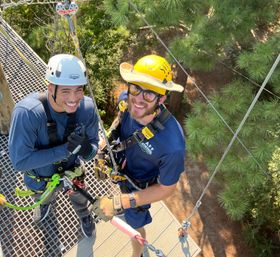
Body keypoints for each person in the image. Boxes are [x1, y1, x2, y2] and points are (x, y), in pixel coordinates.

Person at [93, 54, 186, 257]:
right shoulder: (125, 101)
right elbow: (117, 122)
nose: (138, 99)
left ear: (161, 99)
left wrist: (121, 202)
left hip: (139, 187)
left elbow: (167, 188)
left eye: (149, 94)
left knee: (135, 226)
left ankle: (138, 254)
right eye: (136, 88)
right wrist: (103, 148)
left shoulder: (172, 145)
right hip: (123, 168)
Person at [8, 54, 99, 238]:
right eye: (65, 91)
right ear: (51, 87)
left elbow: (93, 148)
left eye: (78, 90)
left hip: (72, 172)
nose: (74, 98)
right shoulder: (28, 114)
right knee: (44, 196)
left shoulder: (87, 109)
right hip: (40, 177)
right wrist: (66, 150)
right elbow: (20, 162)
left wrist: (87, 149)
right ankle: (45, 203)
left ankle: (83, 213)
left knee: (79, 196)